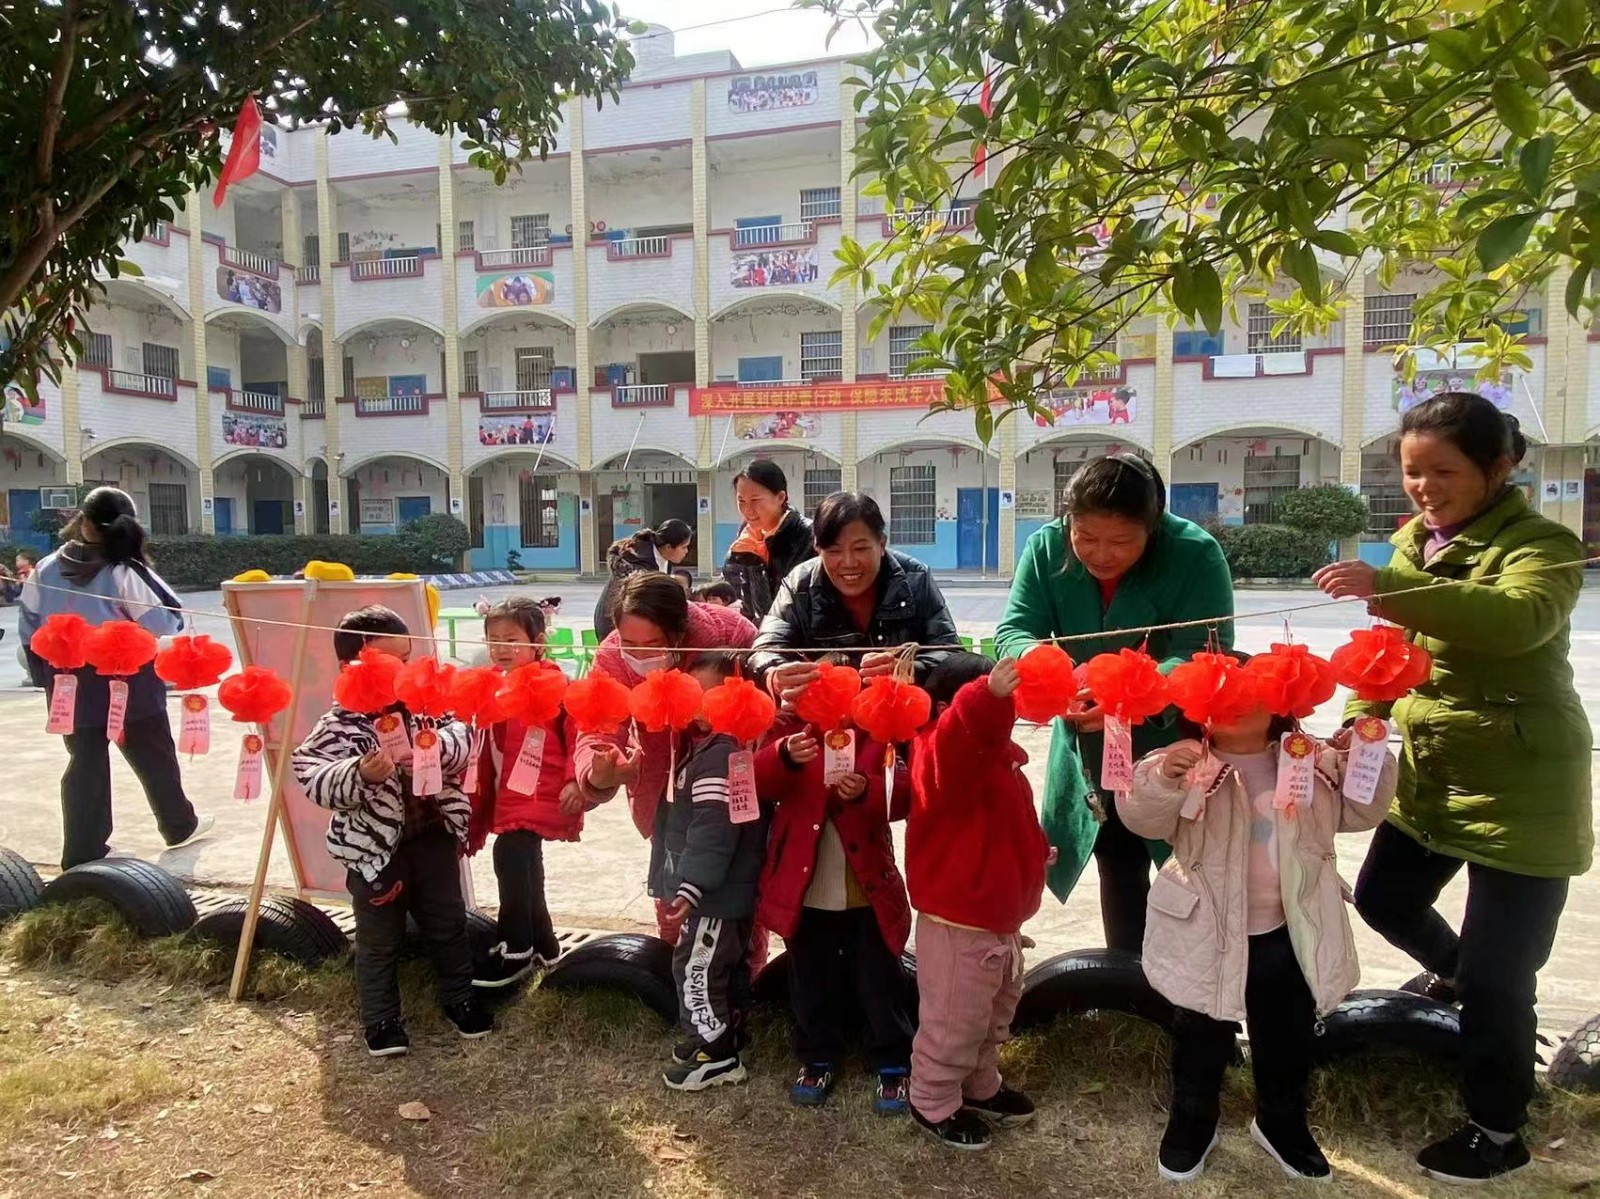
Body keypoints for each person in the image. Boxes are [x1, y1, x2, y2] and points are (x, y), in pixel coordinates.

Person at [1313, 392, 1592, 1184]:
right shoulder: (1413, 542)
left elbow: (1515, 621)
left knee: (1506, 978)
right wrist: (1360, 716)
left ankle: (1498, 1128)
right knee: (1383, 897)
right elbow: (1384, 647)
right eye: (1411, 471)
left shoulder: (1542, 545)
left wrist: (1388, 586)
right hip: (1435, 775)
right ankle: (1458, 978)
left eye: (1444, 470)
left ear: (1497, 468)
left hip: (1524, 789)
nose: (1424, 487)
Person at [1121, 670, 1396, 1183]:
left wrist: (1367, 756)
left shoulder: (1311, 759)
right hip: (1204, 930)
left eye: (1249, 695)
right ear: (1195, 706)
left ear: (1280, 701)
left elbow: (1361, 811)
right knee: (1201, 1036)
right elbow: (1143, 821)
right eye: (1217, 695)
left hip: (1291, 929)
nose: (1233, 705)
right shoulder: (1179, 761)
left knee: (1287, 1036)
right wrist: (1161, 781)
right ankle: (1191, 1121)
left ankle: (1281, 1121)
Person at [994, 455, 1234, 952]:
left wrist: (1127, 693)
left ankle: (1194, 993)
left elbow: (1206, 652)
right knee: (1116, 859)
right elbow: (1014, 631)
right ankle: (1130, 986)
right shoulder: (1045, 546)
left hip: (1169, 742)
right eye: (1085, 536)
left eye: (1121, 541)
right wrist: (1048, 666)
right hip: (1087, 735)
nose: (1100, 554)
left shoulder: (1194, 553)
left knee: (1189, 869)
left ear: (1153, 527)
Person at [292, 606, 493, 1057]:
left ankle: (461, 999)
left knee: (448, 923)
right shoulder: (338, 723)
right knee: (378, 939)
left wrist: (439, 747)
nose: (405, 670)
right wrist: (359, 772)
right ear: (352, 667)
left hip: (434, 838)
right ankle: (381, 1018)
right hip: (373, 853)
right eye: (391, 662)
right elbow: (312, 776)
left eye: (407, 658)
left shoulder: (425, 707)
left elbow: (462, 737)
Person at [17, 486, 213, 869]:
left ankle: (82, 850)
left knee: (85, 759)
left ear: (83, 522)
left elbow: (29, 627)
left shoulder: (45, 567)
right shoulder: (124, 570)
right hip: (128, 678)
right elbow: (164, 619)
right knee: (152, 752)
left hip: (69, 678)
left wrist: (48, 676)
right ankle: (178, 825)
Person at [905, 653, 1051, 1150]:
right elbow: (959, 740)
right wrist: (983, 699)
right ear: (951, 706)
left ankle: (979, 1085)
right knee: (952, 1021)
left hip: (998, 920)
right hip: (957, 924)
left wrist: (1035, 851)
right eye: (995, 699)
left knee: (991, 1016)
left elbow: (1008, 826)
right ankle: (932, 1098)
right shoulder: (939, 755)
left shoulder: (1003, 763)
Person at [753, 679, 914, 1115]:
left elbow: (902, 795)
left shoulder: (878, 736)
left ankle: (893, 1061)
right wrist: (784, 756)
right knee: (811, 980)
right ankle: (816, 1057)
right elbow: (760, 781)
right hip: (804, 894)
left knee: (881, 979)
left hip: (867, 892)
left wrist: (865, 791)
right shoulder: (790, 732)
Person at [574, 572, 758, 945]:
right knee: (672, 884)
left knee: (739, 885)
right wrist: (600, 771)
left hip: (731, 782)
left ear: (678, 633)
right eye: (630, 644)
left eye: (652, 644)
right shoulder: (612, 656)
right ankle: (676, 963)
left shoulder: (732, 636)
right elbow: (597, 727)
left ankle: (745, 975)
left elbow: (762, 707)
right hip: (663, 788)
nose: (639, 657)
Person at [655, 654, 770, 1092]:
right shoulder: (719, 751)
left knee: (695, 967)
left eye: (704, 694)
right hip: (725, 893)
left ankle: (715, 1053)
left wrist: (690, 886)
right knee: (725, 966)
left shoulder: (718, 755)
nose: (693, 703)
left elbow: (712, 829)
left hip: (715, 897)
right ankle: (727, 1031)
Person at [468, 597, 583, 990]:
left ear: (538, 642)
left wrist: (575, 780)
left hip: (542, 786)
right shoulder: (492, 682)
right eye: (494, 639)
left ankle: (516, 948)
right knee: (526, 861)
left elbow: (576, 733)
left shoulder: (556, 682)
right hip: (509, 788)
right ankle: (546, 947)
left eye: (511, 639)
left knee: (512, 853)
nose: (501, 648)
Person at [748, 491, 960, 698]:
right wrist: (774, 674)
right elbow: (765, 649)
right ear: (817, 549)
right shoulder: (799, 584)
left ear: (882, 544)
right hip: (826, 718)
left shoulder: (914, 578)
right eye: (834, 551)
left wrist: (907, 668)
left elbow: (952, 654)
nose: (848, 563)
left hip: (899, 714)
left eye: (860, 549)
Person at [721, 460, 815, 622]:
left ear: (780, 497)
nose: (748, 510)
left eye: (755, 500)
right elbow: (746, 602)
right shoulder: (746, 538)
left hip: (801, 637)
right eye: (741, 501)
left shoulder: (810, 535)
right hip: (764, 635)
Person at [592, 519, 695, 639]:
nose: (686, 552)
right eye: (684, 547)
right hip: (614, 625)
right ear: (668, 547)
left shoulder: (664, 559)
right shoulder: (638, 565)